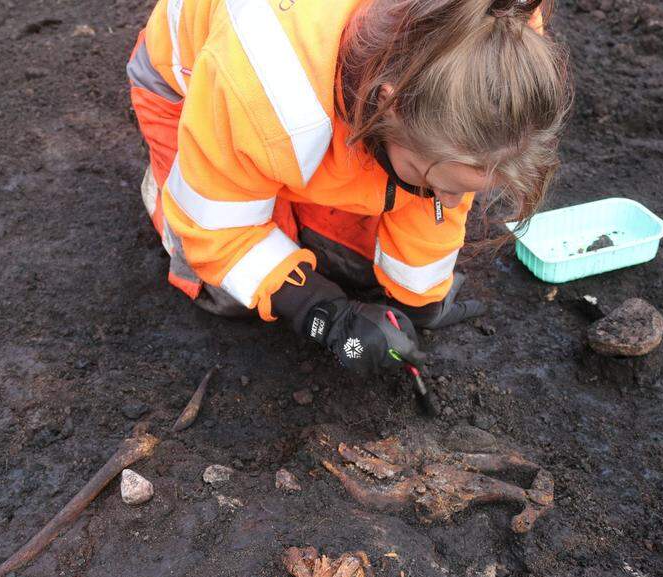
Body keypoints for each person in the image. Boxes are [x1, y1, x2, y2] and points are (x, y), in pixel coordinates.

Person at [126, 0, 569, 377]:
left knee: (354, 267)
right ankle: (175, 186)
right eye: (438, 181)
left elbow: (437, 196)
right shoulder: (268, 83)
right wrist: (323, 313)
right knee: (231, 294)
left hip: (319, 120)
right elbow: (219, 233)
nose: (453, 202)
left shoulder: (503, 34)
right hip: (193, 91)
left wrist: (419, 302)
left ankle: (290, 183)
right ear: (388, 105)